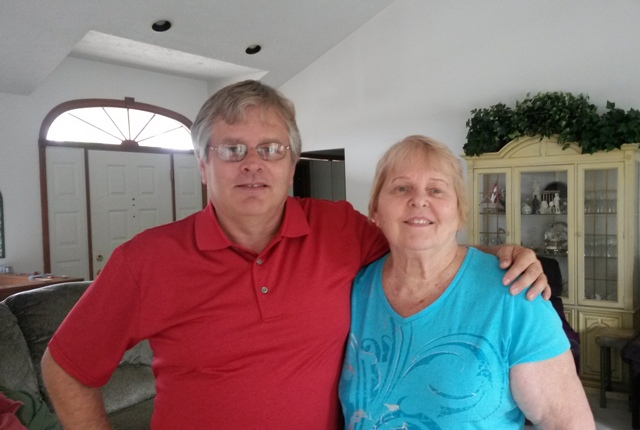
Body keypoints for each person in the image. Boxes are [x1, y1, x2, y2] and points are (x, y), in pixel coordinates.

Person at [41, 81, 548, 429]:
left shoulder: (339, 228)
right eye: (232, 149)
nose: (253, 164)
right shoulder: (146, 260)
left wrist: (498, 255)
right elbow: (65, 369)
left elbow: (420, 247)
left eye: (271, 149)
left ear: (290, 163)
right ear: (202, 164)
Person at [338, 135, 594, 429]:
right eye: (401, 188)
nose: (419, 199)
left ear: (460, 213)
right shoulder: (355, 290)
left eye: (436, 190)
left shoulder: (514, 293)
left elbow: (564, 421)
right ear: (375, 210)